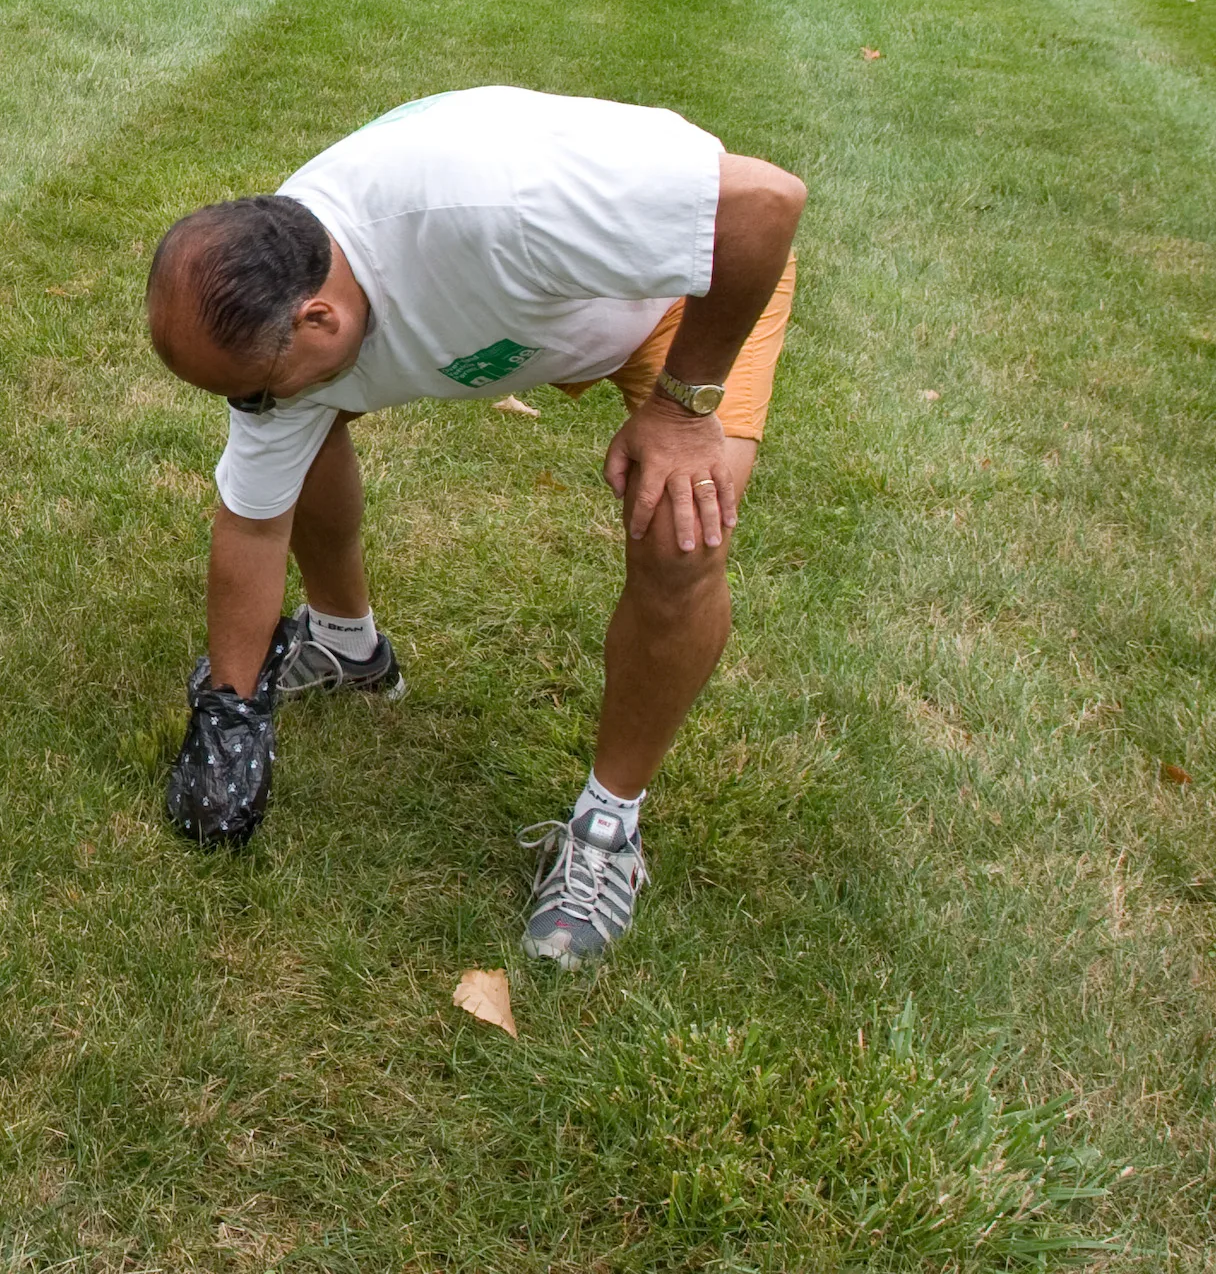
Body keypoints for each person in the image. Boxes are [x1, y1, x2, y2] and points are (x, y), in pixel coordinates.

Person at [144, 88, 806, 967]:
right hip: (539, 315)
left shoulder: (500, 205)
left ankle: (608, 827)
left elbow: (762, 203)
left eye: (254, 392)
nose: (250, 412)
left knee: (678, 530)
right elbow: (253, 523)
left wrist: (685, 408)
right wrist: (231, 713)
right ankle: (347, 645)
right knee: (304, 432)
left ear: (320, 320)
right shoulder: (280, 283)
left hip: (675, 296)